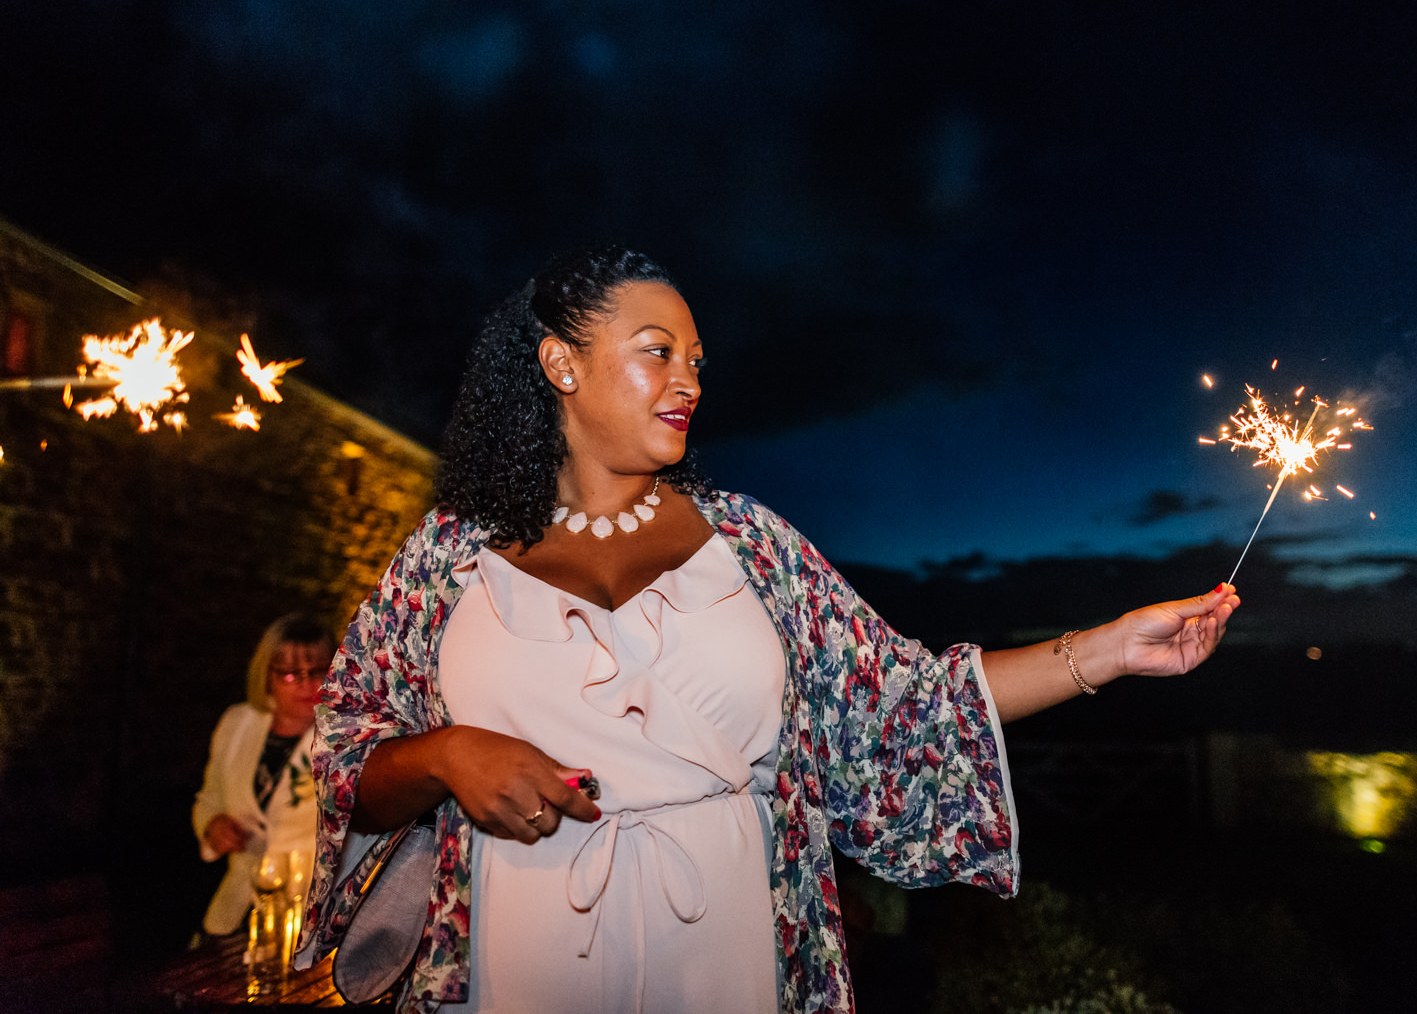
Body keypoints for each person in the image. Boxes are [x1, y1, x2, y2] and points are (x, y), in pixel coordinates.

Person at [297, 247, 1240, 1013]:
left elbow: (908, 705)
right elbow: (347, 755)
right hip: (515, 956)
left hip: (727, 950)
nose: (688, 381)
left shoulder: (753, 546)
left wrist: (1112, 649)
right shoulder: (448, 555)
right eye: (658, 352)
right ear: (561, 364)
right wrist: (447, 756)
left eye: (697, 361)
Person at [192, 613, 334, 937]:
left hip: (307, 917)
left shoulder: (346, 737)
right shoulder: (239, 723)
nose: (307, 684)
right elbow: (209, 798)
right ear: (267, 674)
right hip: (236, 909)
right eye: (291, 674)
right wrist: (213, 826)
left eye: (317, 672)